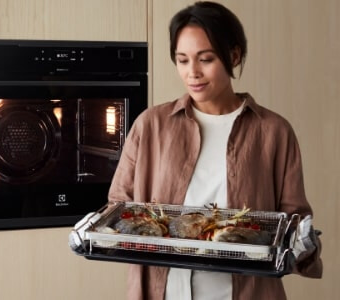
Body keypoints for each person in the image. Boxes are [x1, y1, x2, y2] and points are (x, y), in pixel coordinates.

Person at [106, 2, 323, 299]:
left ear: (233, 56)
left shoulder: (273, 131)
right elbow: (118, 205)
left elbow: (294, 221)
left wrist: (303, 244)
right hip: (164, 290)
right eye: (182, 60)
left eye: (205, 59)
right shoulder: (151, 125)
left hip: (244, 291)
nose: (192, 72)